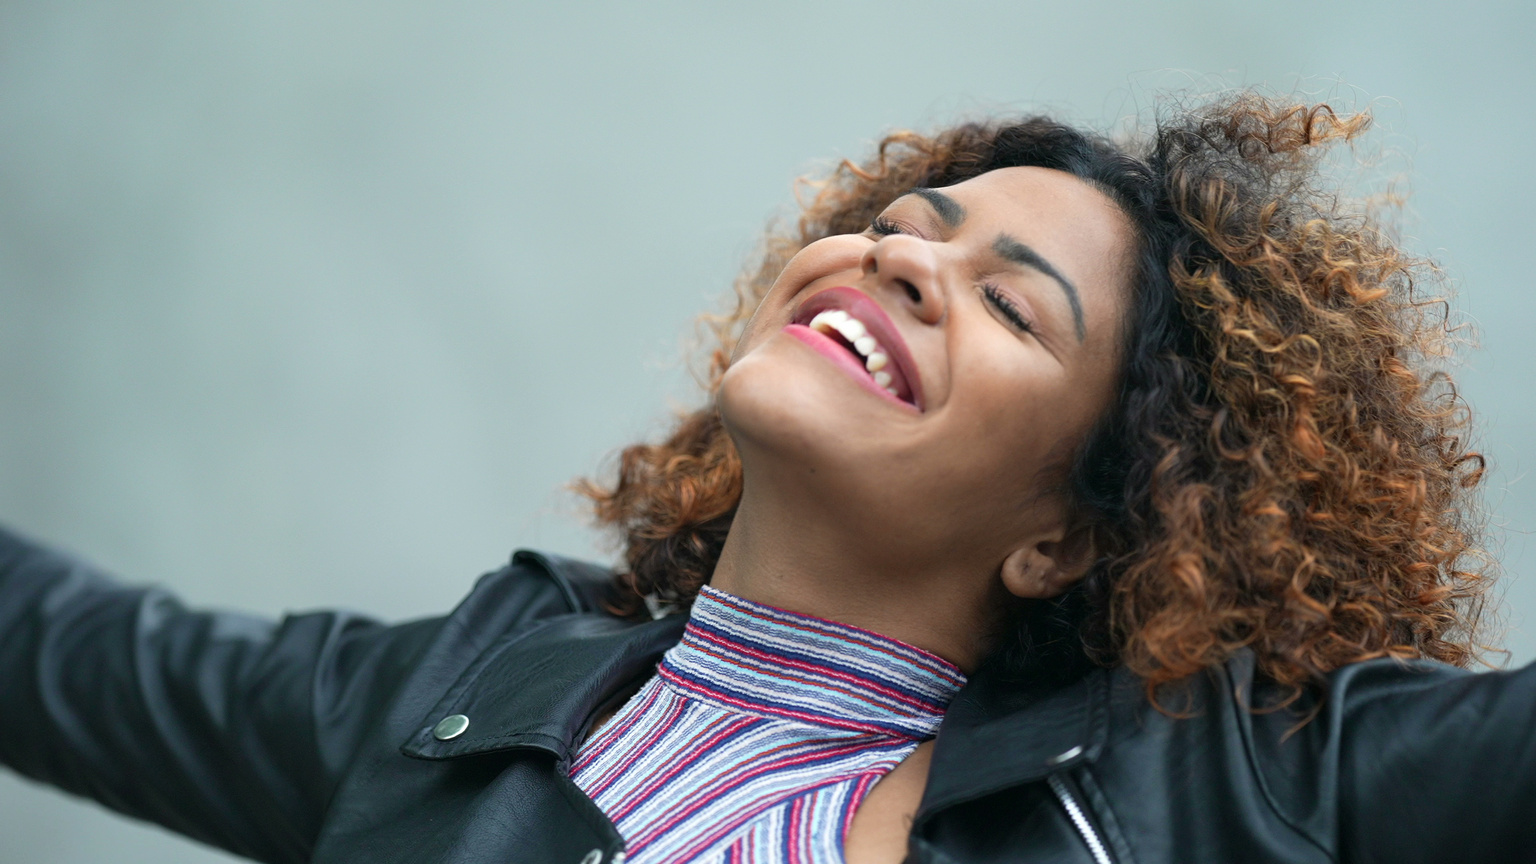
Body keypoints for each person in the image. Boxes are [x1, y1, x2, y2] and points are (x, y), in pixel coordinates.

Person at [1, 90, 1531, 864]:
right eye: (909, 224)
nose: (904, 259)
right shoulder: (440, 700)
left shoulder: (1227, 798)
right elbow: (39, 645)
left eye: (1008, 302)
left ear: (1066, 539)